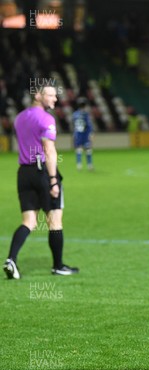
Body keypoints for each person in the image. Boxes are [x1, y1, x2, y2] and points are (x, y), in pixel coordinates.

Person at [3, 85, 79, 279]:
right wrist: (53, 180)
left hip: (24, 173)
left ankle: (11, 259)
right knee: (54, 219)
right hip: (42, 171)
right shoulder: (46, 118)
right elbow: (49, 150)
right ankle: (58, 265)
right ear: (38, 95)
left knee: (28, 222)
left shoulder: (19, 118)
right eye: (51, 95)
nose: (55, 99)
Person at [72, 97, 94, 171]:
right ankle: (89, 165)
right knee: (88, 150)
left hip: (77, 134)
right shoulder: (86, 114)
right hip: (85, 134)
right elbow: (89, 125)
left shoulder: (75, 114)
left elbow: (73, 125)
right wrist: (91, 134)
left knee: (78, 150)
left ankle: (79, 165)